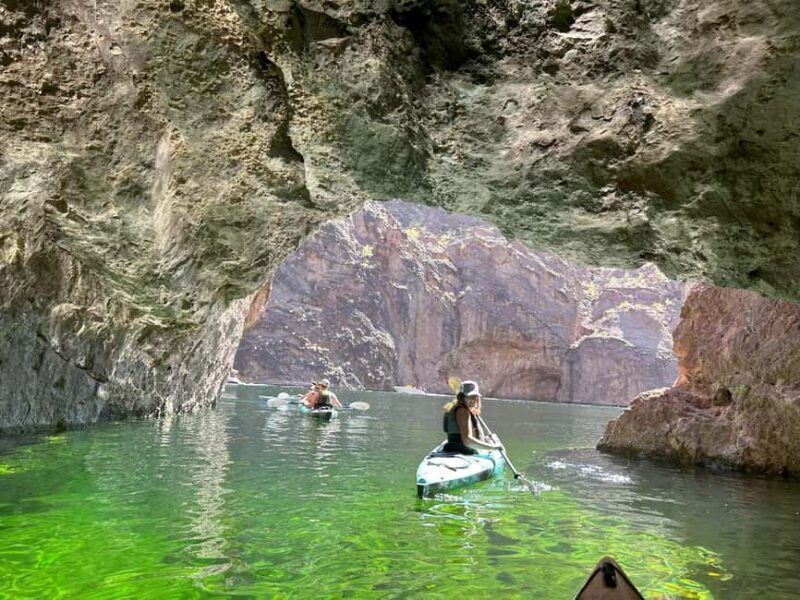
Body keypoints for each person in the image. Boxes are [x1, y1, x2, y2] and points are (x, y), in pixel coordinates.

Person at [441, 380, 503, 454]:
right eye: (468, 397)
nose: (472, 400)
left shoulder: (462, 408)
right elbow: (467, 441)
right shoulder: (462, 411)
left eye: (474, 397)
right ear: (462, 397)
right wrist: (492, 447)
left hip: (456, 447)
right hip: (461, 450)